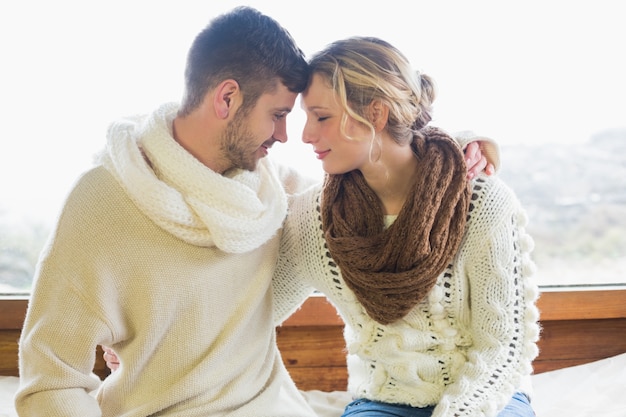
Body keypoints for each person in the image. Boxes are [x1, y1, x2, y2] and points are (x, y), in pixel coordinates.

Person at [16, 6, 493, 417]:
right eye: (280, 114)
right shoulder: (101, 204)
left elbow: (386, 180)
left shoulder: (271, 191)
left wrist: (457, 149)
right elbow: (49, 383)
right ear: (227, 98)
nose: (287, 136)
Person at [270, 37, 541, 417]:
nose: (306, 135)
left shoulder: (481, 202)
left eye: (322, 117)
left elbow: (503, 348)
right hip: (382, 400)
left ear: (377, 114)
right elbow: (258, 310)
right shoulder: (313, 220)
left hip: (489, 396)